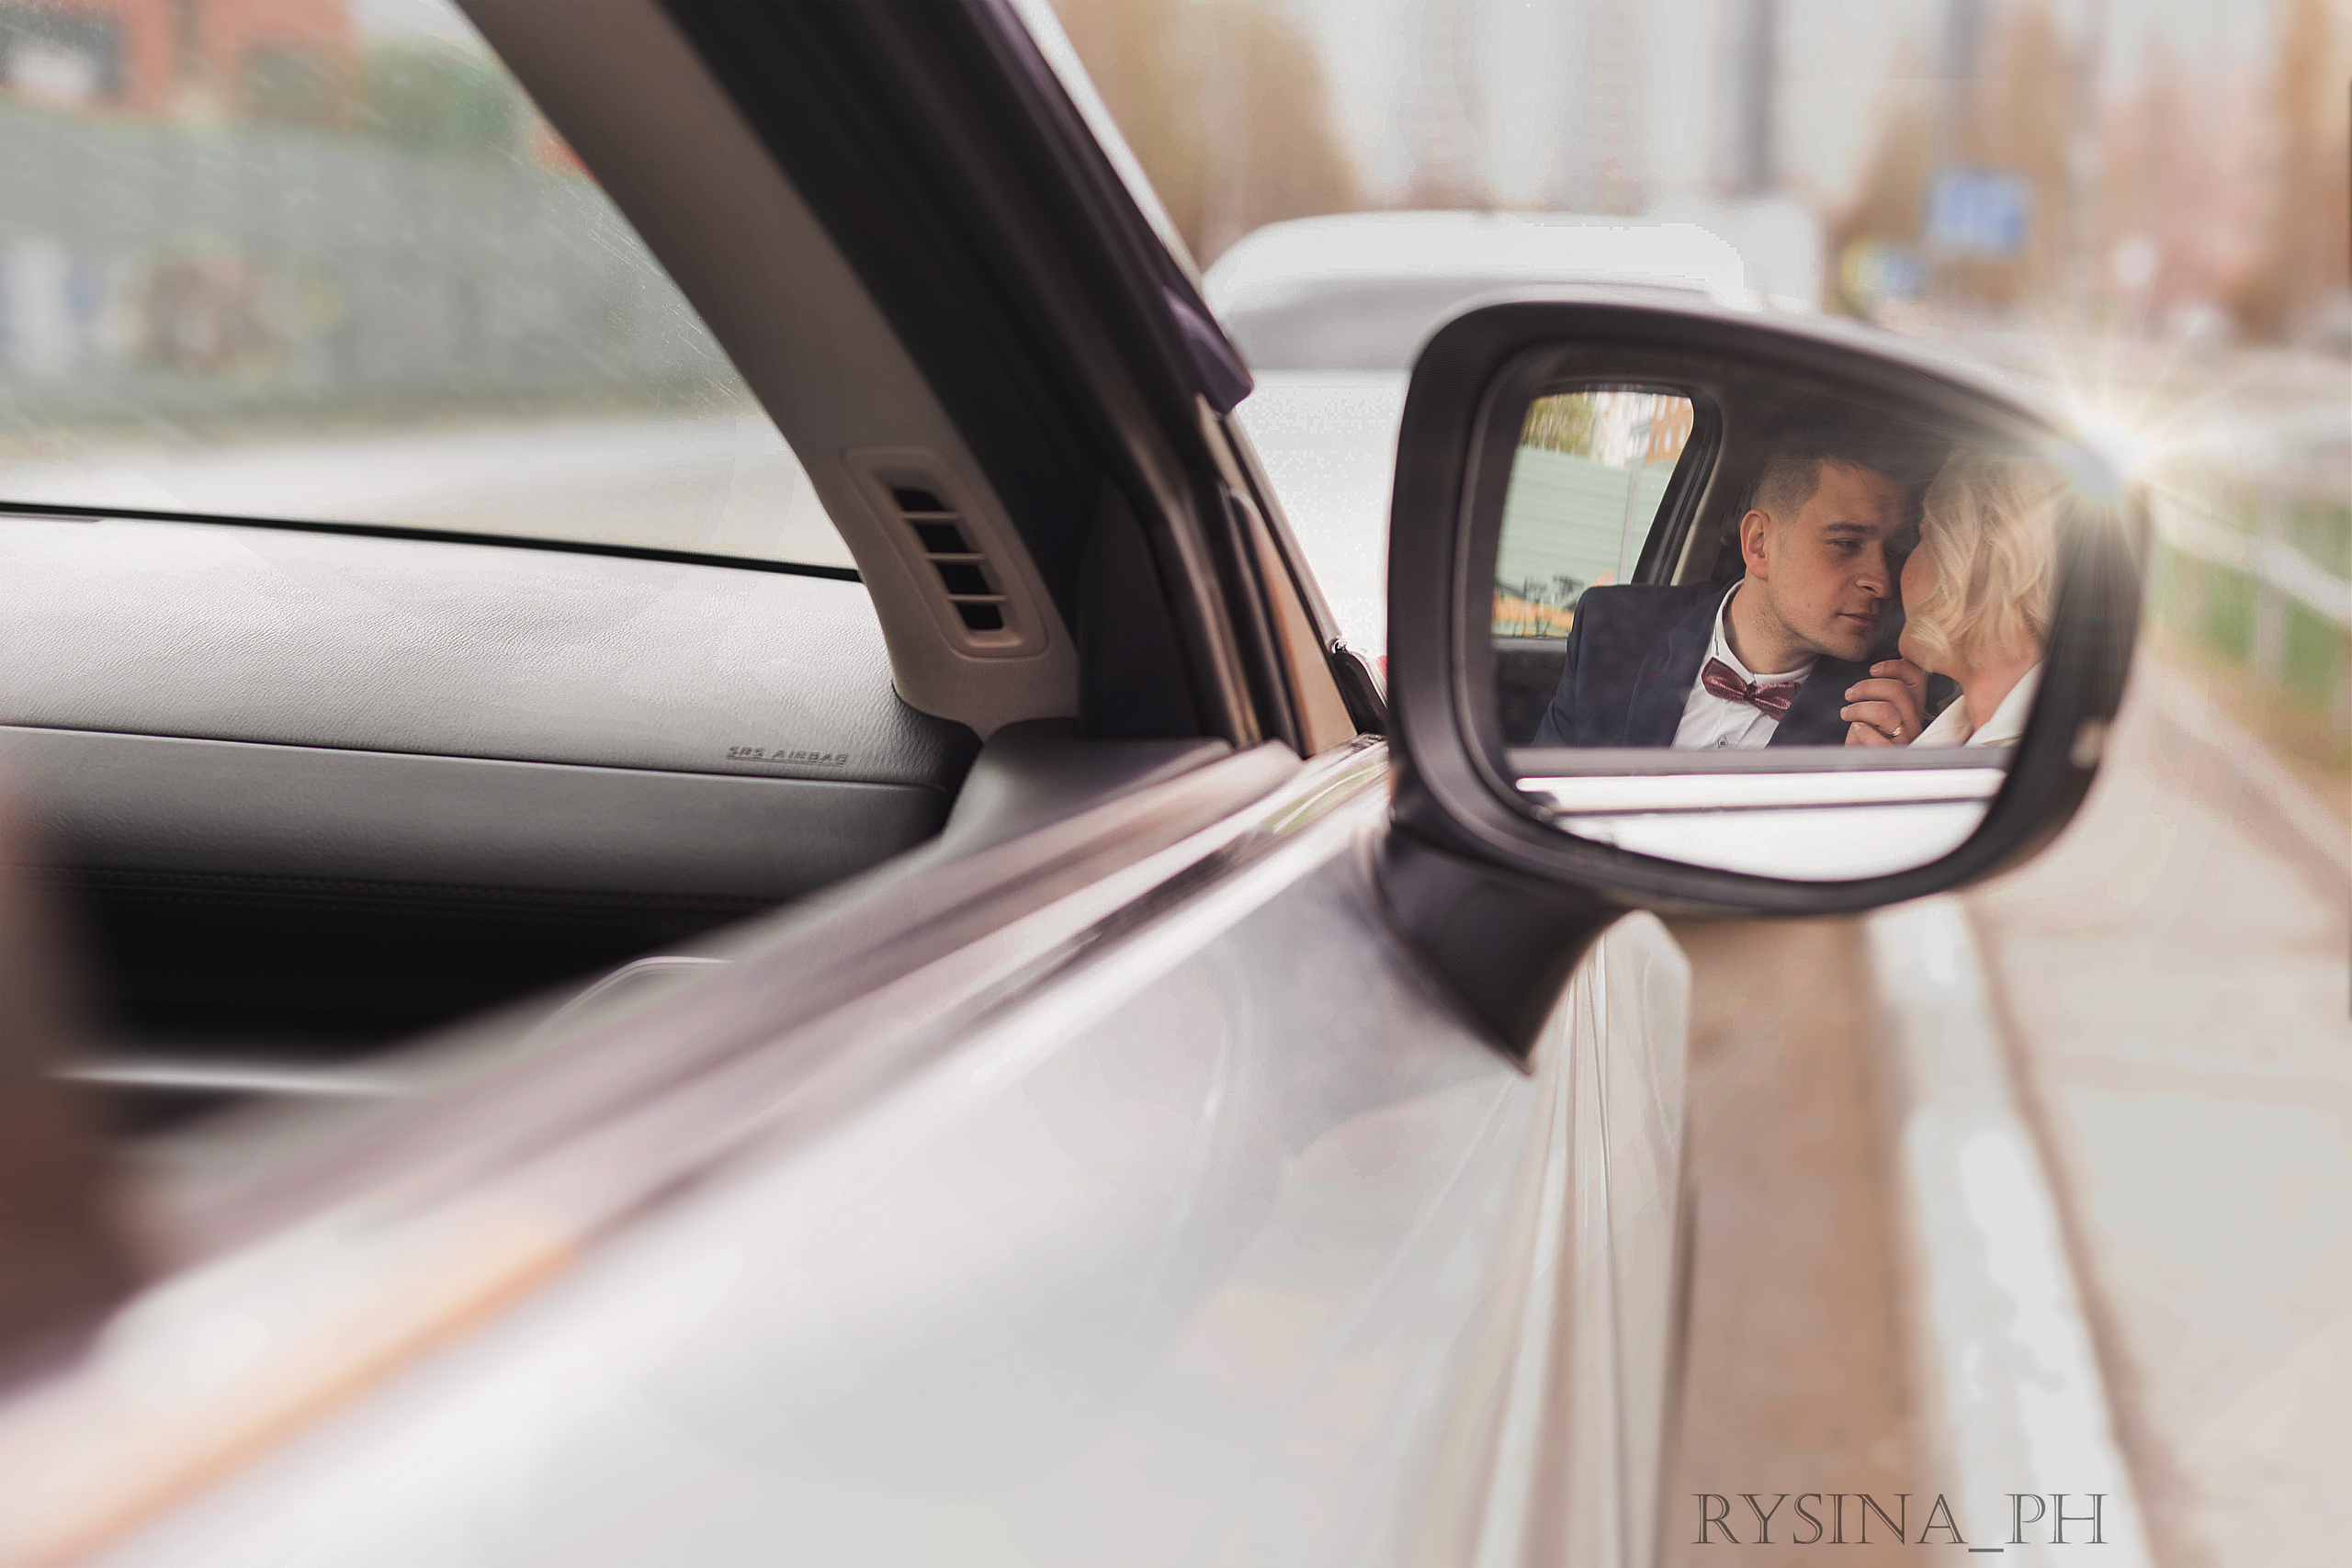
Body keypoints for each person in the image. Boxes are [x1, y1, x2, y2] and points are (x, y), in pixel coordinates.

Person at [1531, 426, 1913, 749]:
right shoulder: (1615, 627)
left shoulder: (1883, 708)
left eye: (1894, 553)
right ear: (1759, 544)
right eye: (1846, 544)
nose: (1882, 583)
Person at [1843, 449, 2054, 749]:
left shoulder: (2063, 745)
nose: (1890, 579)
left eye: (1925, 538)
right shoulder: (1940, 739)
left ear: (1979, 560)